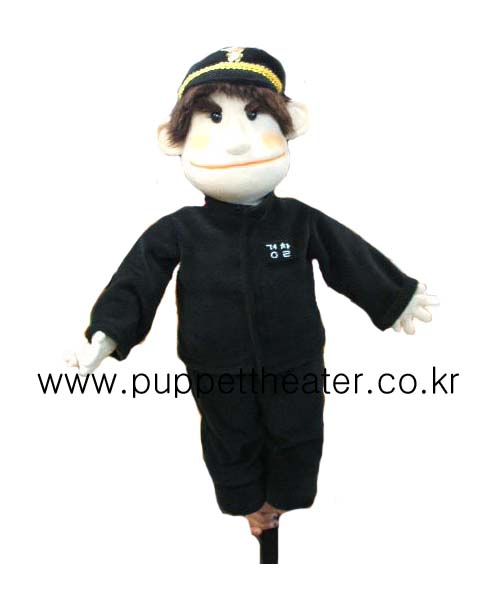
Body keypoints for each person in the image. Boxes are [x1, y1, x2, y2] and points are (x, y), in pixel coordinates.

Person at [66, 47, 439, 539]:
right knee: (229, 437)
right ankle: (249, 507)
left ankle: (283, 501)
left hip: (294, 360)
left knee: (298, 431)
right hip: (214, 365)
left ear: (290, 125)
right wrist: (109, 333)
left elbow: (348, 257)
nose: (238, 142)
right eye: (213, 118)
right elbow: (138, 279)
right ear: (174, 139)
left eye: (256, 115)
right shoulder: (179, 230)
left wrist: (394, 296)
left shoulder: (299, 220)